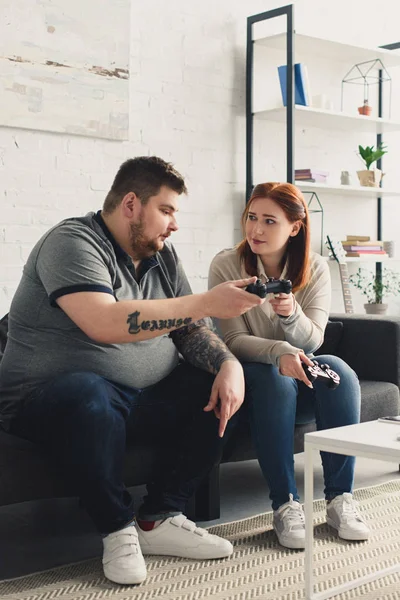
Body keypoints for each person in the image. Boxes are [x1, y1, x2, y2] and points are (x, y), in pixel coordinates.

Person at [0, 156, 264, 585]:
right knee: (90, 394)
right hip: (45, 399)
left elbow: (190, 329)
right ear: (130, 204)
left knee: (215, 382)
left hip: (135, 397)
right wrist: (205, 301)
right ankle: (116, 527)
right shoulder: (72, 242)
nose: (174, 224)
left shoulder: (162, 255)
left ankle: (159, 518)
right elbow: (104, 323)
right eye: (167, 210)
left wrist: (229, 363)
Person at [208, 182, 370, 550]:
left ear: (294, 227)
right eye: (251, 217)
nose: (256, 230)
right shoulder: (226, 265)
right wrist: (279, 351)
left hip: (302, 379)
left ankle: (339, 499)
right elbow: (232, 341)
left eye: (269, 220)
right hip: (258, 382)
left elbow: (313, 341)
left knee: (338, 371)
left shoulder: (314, 268)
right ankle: (285, 504)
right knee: (274, 375)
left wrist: (290, 314)